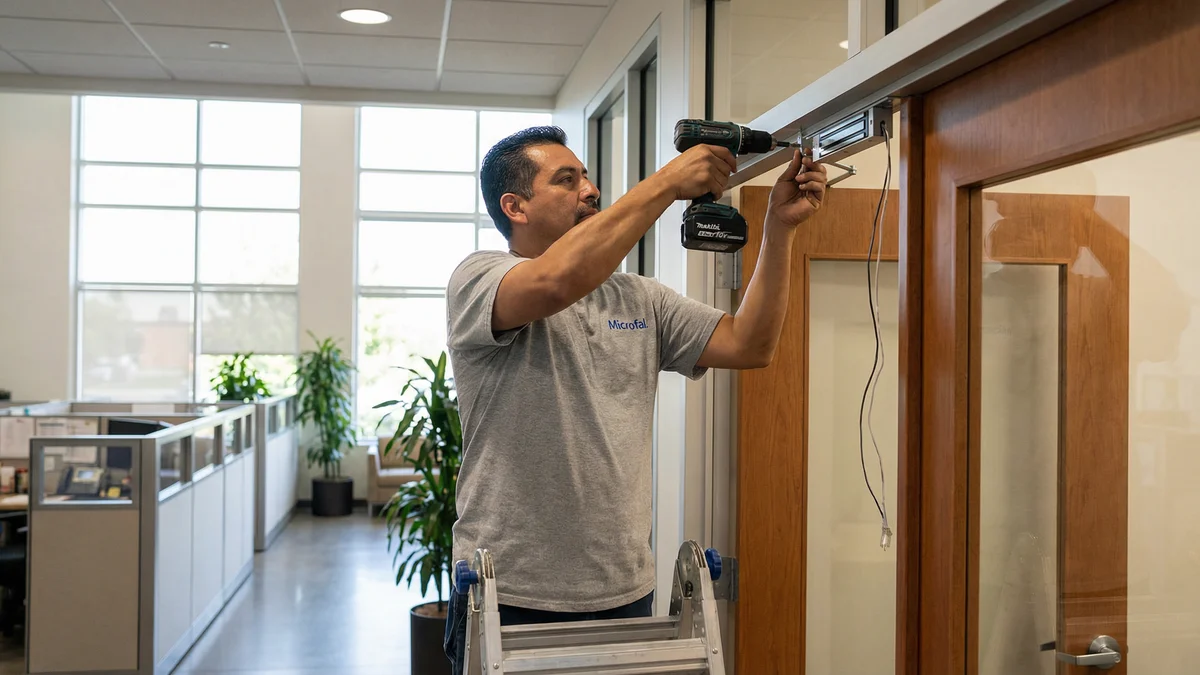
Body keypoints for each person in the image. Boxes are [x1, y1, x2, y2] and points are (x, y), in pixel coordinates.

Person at [443, 126, 826, 673]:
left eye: (587, 177)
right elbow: (555, 282)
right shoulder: (478, 280)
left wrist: (779, 230)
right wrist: (669, 182)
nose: (590, 190)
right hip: (511, 590)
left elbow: (751, 344)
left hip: (622, 586)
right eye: (566, 180)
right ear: (515, 206)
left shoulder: (639, 297)